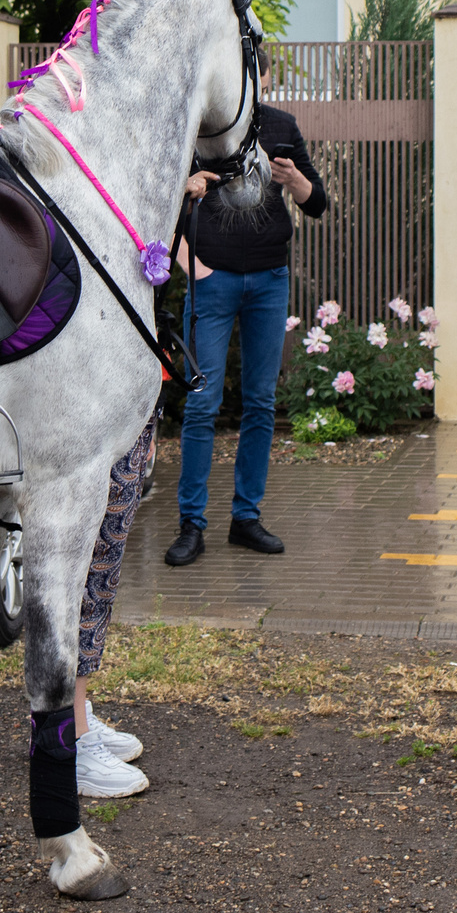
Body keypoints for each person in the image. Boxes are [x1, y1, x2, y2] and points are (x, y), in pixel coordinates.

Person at [165, 71, 329, 566]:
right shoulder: (199, 133)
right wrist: (192, 258)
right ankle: (191, 525)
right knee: (201, 405)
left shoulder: (282, 126)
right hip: (212, 285)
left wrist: (295, 180)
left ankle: (246, 519)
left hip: (268, 282)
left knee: (260, 403)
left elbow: (317, 203)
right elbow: (158, 204)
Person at [71, 417, 155, 797]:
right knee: (86, 565)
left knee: (103, 563)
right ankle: (68, 734)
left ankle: (73, 713)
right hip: (95, 393)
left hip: (135, 387)